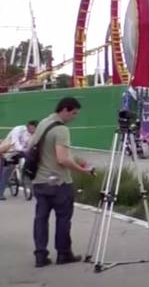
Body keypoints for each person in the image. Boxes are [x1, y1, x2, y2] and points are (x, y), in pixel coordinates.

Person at [30, 98, 95, 267]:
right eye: (73, 113)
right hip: (59, 183)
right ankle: (64, 254)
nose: (74, 117)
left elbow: (31, 146)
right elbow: (62, 159)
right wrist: (83, 170)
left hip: (40, 181)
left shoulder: (43, 123)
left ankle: (40, 256)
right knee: (63, 219)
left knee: (41, 219)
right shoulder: (61, 130)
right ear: (65, 110)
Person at [0, 120, 38, 200]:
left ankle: (29, 181)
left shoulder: (35, 134)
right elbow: (15, 142)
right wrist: (24, 151)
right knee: (7, 169)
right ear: (28, 126)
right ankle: (1, 193)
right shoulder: (18, 130)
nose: (33, 131)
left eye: (35, 129)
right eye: (31, 129)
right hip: (10, 149)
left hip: (23, 151)